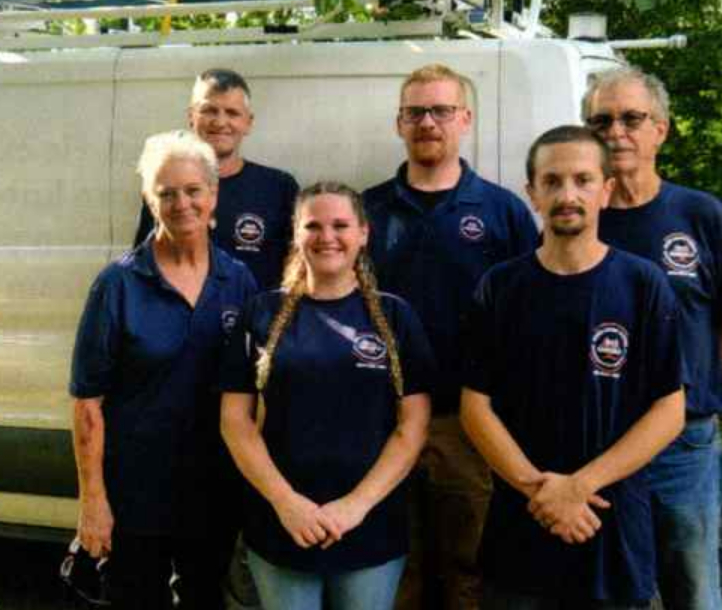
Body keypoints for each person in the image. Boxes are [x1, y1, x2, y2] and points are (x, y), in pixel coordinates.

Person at [460, 125, 687, 609]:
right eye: (553, 181)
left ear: (605, 190)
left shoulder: (643, 285)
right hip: (521, 526)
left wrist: (579, 488)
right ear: (532, 194)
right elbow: (475, 407)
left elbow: (670, 409)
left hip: (609, 523)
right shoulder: (500, 288)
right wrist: (540, 494)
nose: (568, 194)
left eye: (583, 180)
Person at [362, 63, 539, 610]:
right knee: (396, 570)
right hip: (382, 419)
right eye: (416, 112)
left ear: (464, 119)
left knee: (468, 570)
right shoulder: (365, 210)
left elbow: (528, 317)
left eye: (441, 111)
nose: (428, 123)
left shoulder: (503, 210)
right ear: (399, 123)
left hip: (467, 423)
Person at [583, 67, 722, 610]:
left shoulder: (700, 215)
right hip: (600, 444)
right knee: (610, 593)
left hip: (684, 447)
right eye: (602, 120)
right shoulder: (577, 219)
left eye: (632, 118)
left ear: (661, 128)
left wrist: (704, 396)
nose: (616, 131)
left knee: (694, 592)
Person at [219, 182, 435, 610]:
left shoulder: (396, 317)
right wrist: (287, 503)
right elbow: (235, 421)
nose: (327, 237)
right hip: (281, 523)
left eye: (340, 225)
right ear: (296, 234)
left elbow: (412, 428)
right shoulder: (260, 312)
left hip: (370, 526)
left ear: (364, 233)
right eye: (312, 225)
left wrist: (355, 507)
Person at [71, 130, 258, 609]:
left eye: (193, 190)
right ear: (148, 199)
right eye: (166, 192)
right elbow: (87, 404)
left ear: (213, 194)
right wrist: (93, 502)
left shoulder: (238, 280)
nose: (182, 203)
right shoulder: (117, 285)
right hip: (136, 493)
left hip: (215, 490)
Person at [134, 68, 299, 290]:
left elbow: (299, 267)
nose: (220, 122)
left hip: (255, 321)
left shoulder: (279, 188)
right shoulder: (167, 188)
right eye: (209, 110)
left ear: (248, 122)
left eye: (232, 113)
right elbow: (144, 267)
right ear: (191, 117)